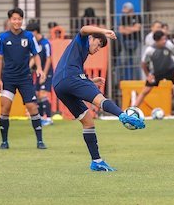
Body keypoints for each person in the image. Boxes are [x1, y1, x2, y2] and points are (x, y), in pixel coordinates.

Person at [52, 25, 145, 172]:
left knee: (88, 121)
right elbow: (83, 28)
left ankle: (97, 162)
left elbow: (73, 72)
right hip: (70, 78)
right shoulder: (81, 41)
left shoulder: (80, 54)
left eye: (101, 46)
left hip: (59, 85)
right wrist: (103, 31)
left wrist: (90, 81)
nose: (98, 48)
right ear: (91, 38)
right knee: (100, 99)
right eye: (98, 43)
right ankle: (123, 115)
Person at [0, 8, 47, 150]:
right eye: (14, 19)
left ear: (22, 20)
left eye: (19, 19)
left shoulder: (29, 36)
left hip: (25, 78)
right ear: (10, 20)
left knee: (32, 107)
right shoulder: (3, 37)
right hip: (8, 78)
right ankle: (4, 142)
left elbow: (36, 54)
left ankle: (40, 141)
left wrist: (40, 68)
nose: (17, 21)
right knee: (5, 108)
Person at [134, 31, 174, 117]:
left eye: (165, 39)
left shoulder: (169, 45)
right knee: (145, 91)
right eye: (162, 40)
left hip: (171, 70)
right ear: (156, 41)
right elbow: (143, 63)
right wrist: (148, 75)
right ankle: (133, 110)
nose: (165, 41)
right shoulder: (150, 50)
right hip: (157, 72)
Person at [26, 22, 54, 126]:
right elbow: (33, 58)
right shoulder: (34, 43)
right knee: (37, 95)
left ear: (35, 32)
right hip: (38, 72)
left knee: (43, 94)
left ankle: (49, 118)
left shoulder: (45, 43)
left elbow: (48, 59)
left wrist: (44, 74)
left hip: (46, 72)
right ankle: (42, 118)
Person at [118, 2, 142, 80]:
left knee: (136, 63)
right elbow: (121, 30)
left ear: (131, 9)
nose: (124, 12)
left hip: (137, 41)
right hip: (125, 42)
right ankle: (121, 82)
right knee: (123, 62)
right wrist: (132, 28)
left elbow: (137, 28)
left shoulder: (138, 16)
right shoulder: (123, 17)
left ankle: (137, 81)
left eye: (126, 10)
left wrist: (126, 28)